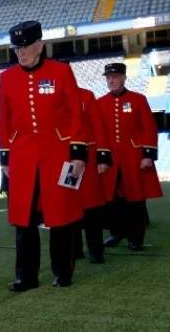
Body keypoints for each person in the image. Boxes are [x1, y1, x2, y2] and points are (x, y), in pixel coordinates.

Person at [0, 20, 87, 292]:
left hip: (57, 154)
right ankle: (26, 276)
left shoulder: (61, 72)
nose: (20, 53)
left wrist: (78, 153)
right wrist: (5, 158)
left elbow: (75, 114)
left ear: (39, 45)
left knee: (59, 217)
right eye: (16, 48)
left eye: (25, 47)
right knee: (23, 220)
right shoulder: (6, 77)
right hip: (23, 157)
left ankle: (63, 272)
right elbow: (5, 119)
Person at [97, 63, 162, 251]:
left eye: (115, 77)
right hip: (111, 160)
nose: (111, 80)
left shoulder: (138, 99)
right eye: (108, 77)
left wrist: (147, 155)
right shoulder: (100, 103)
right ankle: (117, 233)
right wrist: (101, 158)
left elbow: (149, 128)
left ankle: (136, 238)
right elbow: (98, 133)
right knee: (112, 200)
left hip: (134, 158)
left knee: (136, 200)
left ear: (124, 78)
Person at [73, 87, 112, 264]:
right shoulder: (47, 98)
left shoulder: (86, 96)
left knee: (92, 208)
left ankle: (96, 251)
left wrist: (103, 157)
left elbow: (98, 126)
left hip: (88, 157)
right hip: (62, 160)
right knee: (69, 206)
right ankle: (74, 250)